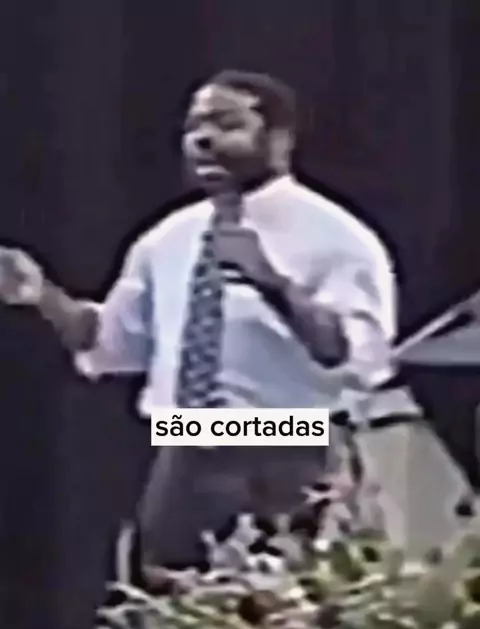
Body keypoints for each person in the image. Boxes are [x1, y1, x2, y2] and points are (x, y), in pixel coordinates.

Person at [0, 69, 396, 572]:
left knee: (286, 607)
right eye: (193, 127)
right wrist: (43, 296)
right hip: (185, 450)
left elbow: (358, 359)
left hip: (290, 447)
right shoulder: (168, 238)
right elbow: (110, 345)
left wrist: (274, 285)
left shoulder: (336, 236)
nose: (203, 139)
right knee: (164, 599)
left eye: (226, 124)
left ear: (279, 138)